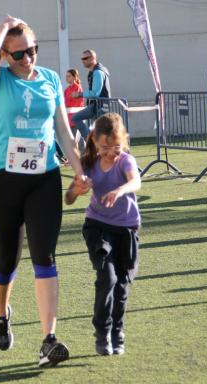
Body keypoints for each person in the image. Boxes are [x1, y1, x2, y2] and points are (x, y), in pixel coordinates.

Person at [0, 15, 89, 368]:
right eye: (20, 54)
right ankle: (1, 313)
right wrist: (2, 26)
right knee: (9, 258)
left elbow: (64, 132)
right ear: (6, 56)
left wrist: (80, 172)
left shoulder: (52, 80)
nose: (28, 59)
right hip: (3, 180)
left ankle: (48, 340)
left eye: (33, 51)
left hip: (44, 178)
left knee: (45, 256)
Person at [65, 112, 141, 356]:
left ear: (124, 142)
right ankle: (102, 332)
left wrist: (119, 191)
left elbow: (136, 182)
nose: (111, 152)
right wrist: (77, 190)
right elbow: (67, 199)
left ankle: (117, 331)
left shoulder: (125, 161)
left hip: (126, 228)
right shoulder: (88, 163)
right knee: (106, 278)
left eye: (117, 146)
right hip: (97, 226)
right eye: (105, 147)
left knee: (121, 284)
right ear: (95, 142)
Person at [71, 49, 111, 141]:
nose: (83, 61)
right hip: (97, 106)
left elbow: (95, 93)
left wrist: (79, 94)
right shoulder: (94, 72)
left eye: (85, 58)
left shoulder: (98, 72)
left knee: (76, 118)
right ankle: (91, 141)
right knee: (99, 134)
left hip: (100, 106)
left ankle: (90, 140)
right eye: (82, 59)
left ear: (93, 58)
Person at [62, 69, 84, 157]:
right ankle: (81, 157)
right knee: (76, 140)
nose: (66, 78)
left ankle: (80, 157)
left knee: (75, 140)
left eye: (69, 76)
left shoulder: (77, 88)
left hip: (76, 118)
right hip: (68, 119)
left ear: (75, 77)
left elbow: (77, 103)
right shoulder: (67, 90)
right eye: (66, 76)